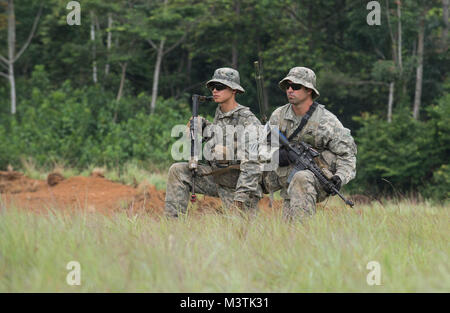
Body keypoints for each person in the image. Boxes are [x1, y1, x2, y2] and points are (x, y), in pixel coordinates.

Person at [165, 67, 262, 217]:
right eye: (212, 87)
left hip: (239, 186)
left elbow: (253, 164)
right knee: (178, 171)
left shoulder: (247, 119)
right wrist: (202, 125)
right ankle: (172, 225)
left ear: (234, 90)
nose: (214, 91)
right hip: (218, 178)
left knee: (241, 233)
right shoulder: (220, 113)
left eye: (220, 87)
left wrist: (241, 198)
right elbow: (219, 135)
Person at [264, 66, 357, 221]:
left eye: (296, 86)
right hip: (286, 179)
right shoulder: (278, 115)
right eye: (288, 86)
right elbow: (263, 149)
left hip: (317, 179)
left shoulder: (327, 122)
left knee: (301, 178)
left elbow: (348, 155)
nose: (290, 90)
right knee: (287, 228)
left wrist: (339, 177)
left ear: (309, 90)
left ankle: (303, 232)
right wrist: (280, 155)